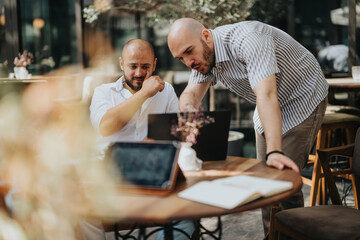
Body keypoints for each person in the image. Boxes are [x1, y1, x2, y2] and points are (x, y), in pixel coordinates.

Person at [167, 18, 328, 238]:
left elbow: (267, 95)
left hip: (301, 96)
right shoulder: (204, 56)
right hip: (267, 106)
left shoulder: (249, 38)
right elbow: (191, 94)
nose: (188, 61)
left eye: (188, 51)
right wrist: (188, 111)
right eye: (180, 58)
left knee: (283, 183)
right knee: (264, 184)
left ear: (205, 36)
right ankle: (270, 236)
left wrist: (274, 151)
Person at [86, 39, 195, 240]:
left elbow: (175, 136)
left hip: (153, 174)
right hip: (110, 178)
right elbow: (106, 126)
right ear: (121, 64)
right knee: (82, 214)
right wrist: (145, 93)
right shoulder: (103, 92)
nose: (138, 73)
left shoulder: (167, 91)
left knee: (187, 213)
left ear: (154, 65)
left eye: (145, 67)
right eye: (132, 66)